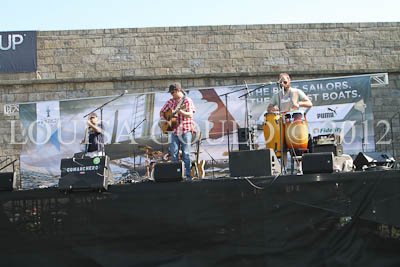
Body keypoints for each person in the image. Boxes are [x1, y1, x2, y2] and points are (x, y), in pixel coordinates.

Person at [267, 73, 313, 171]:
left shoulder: (296, 92)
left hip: (294, 121)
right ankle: (283, 169)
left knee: (297, 144)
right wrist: (273, 109)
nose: (283, 84)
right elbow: (269, 107)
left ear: (289, 81)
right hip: (281, 122)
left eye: (285, 82)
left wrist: (299, 103)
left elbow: (309, 103)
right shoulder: (277, 95)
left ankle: (299, 167)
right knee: (282, 145)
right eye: (281, 82)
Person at [160, 82, 196, 180]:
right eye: (171, 93)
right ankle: (176, 176)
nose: (171, 95)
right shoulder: (170, 102)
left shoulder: (187, 101)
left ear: (178, 90)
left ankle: (188, 176)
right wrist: (168, 117)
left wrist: (180, 111)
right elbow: (162, 112)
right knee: (174, 153)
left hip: (185, 130)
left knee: (186, 153)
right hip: (174, 131)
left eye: (172, 92)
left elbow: (190, 114)